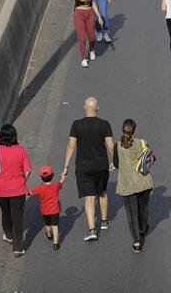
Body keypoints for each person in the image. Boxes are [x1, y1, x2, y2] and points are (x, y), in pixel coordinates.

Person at [61, 97, 115, 242]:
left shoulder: (77, 125)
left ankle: (91, 230)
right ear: (97, 108)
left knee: (89, 198)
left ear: (84, 107)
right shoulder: (105, 125)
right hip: (101, 166)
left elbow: (71, 146)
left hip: (83, 167)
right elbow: (110, 146)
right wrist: (116, 162)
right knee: (102, 192)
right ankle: (104, 221)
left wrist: (65, 167)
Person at [114, 119, 153, 254]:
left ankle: (137, 242)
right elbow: (150, 159)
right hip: (143, 183)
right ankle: (143, 229)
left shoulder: (118, 146)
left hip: (127, 185)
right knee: (143, 208)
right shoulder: (142, 142)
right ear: (134, 130)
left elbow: (117, 164)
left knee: (132, 214)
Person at [0, 124, 31, 258]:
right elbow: (28, 169)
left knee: (5, 212)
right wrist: (22, 180)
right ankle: (18, 248)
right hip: (18, 189)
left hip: (0, 188)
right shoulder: (20, 150)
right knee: (17, 218)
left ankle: (9, 235)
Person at [72, 0, 103, 68]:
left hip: (89, 14)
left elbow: (92, 3)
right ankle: (83, 59)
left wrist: (99, 16)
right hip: (79, 15)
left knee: (92, 37)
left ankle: (91, 50)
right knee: (82, 38)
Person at [29, 165, 63, 250]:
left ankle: (48, 234)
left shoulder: (40, 188)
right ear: (52, 175)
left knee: (47, 224)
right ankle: (56, 243)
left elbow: (30, 193)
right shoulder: (56, 186)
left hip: (45, 211)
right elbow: (61, 183)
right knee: (55, 226)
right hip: (55, 210)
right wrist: (63, 177)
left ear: (41, 177)